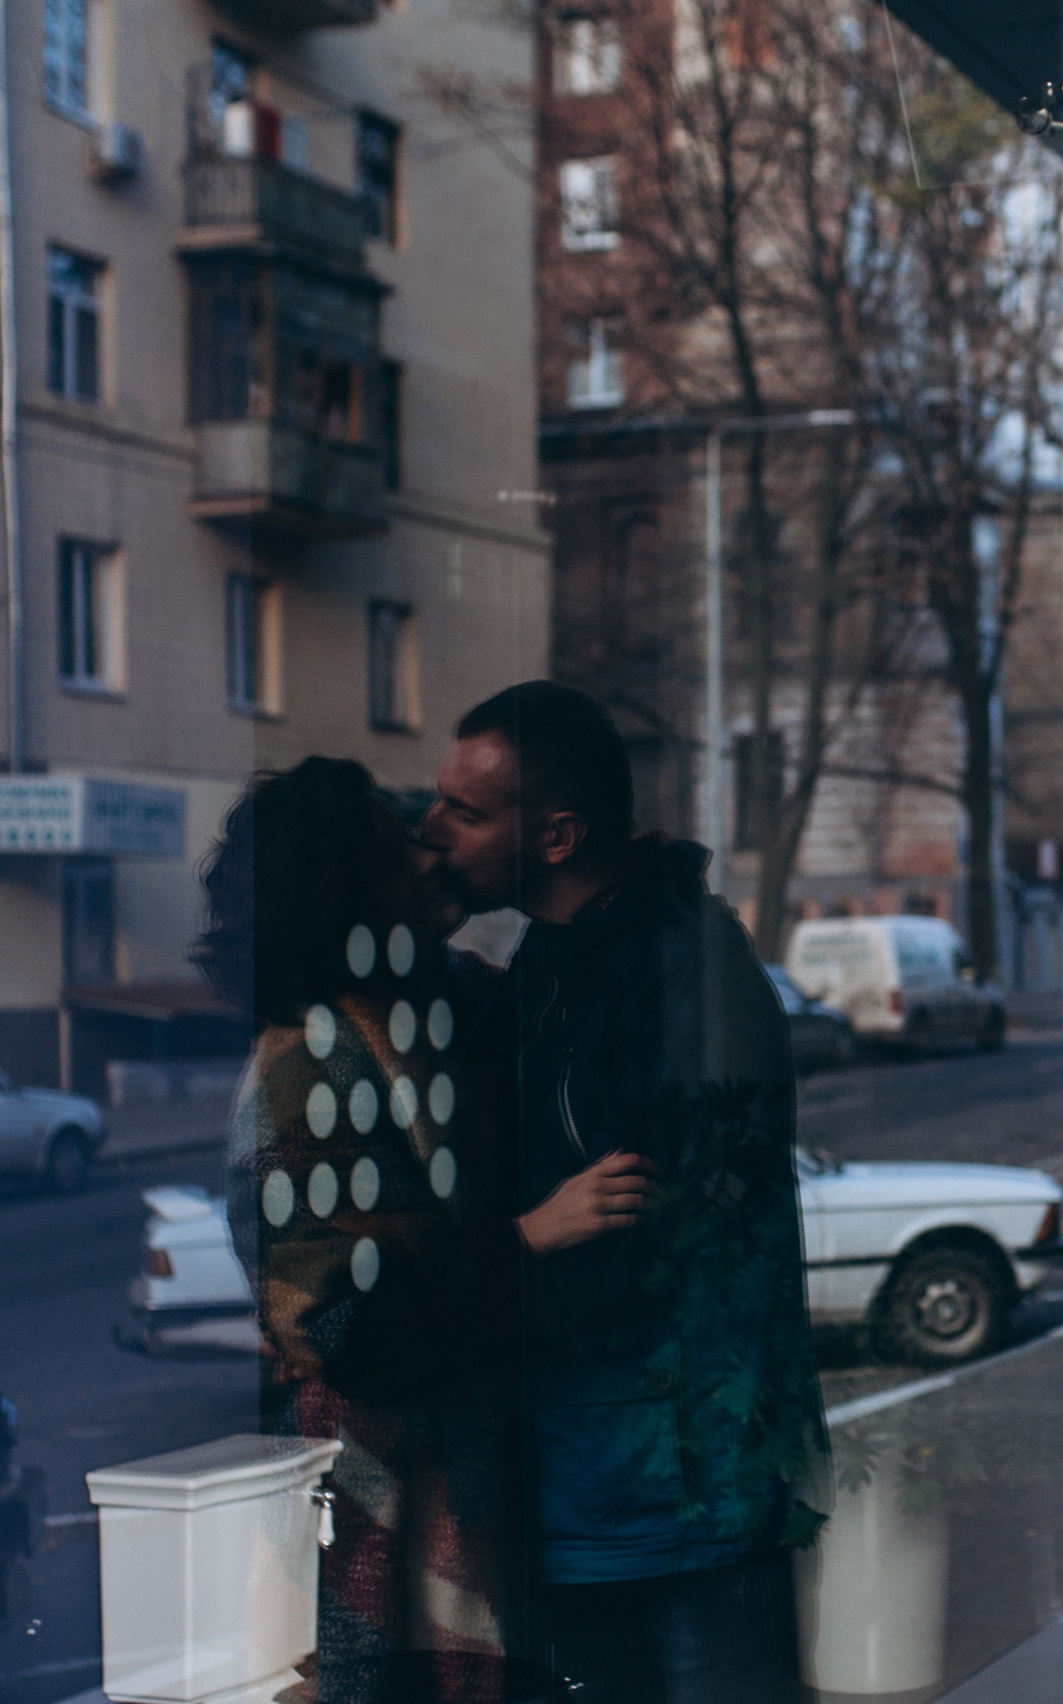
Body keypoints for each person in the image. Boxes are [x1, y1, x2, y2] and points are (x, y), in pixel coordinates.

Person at [420, 682, 826, 1704]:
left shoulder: (682, 964)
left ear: (556, 835)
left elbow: (678, 1234)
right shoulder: (551, 957)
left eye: (465, 811)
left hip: (681, 1490)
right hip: (589, 1478)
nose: (433, 828)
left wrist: (471, 1275)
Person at [202, 758, 528, 1704]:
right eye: (394, 855)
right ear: (339, 897)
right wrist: (528, 1242)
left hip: (445, 1467)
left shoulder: (428, 1015)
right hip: (379, 1487)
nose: (428, 858)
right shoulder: (309, 1065)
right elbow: (347, 1329)